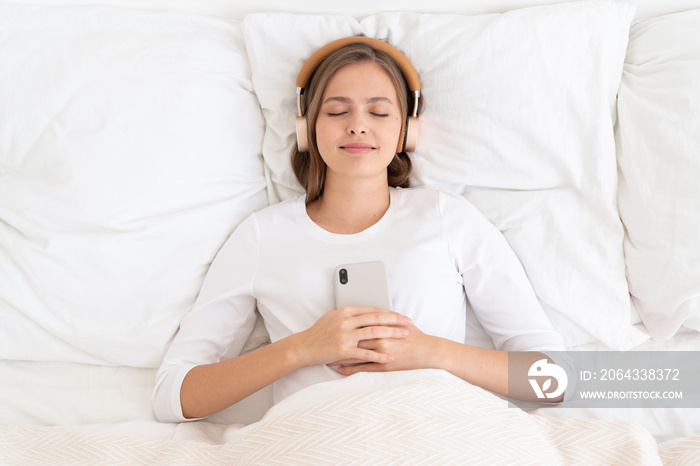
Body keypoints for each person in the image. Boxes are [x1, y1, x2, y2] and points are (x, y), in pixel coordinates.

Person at [152, 37, 567, 423]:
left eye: (379, 112)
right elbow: (171, 396)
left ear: (405, 130)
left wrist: (432, 352)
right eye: (336, 111)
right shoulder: (262, 235)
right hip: (314, 441)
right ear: (307, 128)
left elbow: (555, 381)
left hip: (435, 436)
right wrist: (302, 348)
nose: (357, 125)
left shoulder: (446, 217)